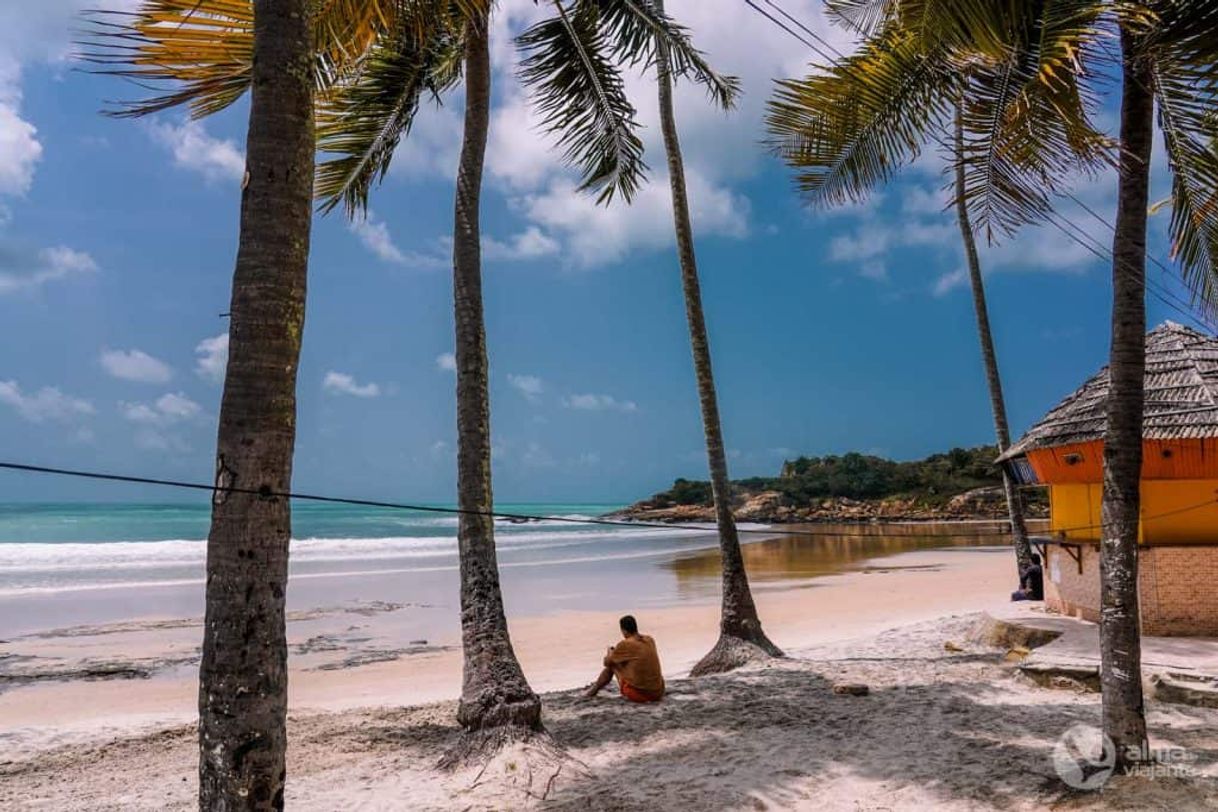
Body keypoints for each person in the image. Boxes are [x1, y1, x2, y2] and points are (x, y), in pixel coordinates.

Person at [584, 615, 665, 702]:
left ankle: (592, 692)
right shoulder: (649, 640)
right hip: (659, 692)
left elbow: (607, 662)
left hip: (641, 695)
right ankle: (592, 692)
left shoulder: (625, 644)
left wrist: (610, 653)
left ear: (623, 630)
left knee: (612, 665)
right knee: (625, 663)